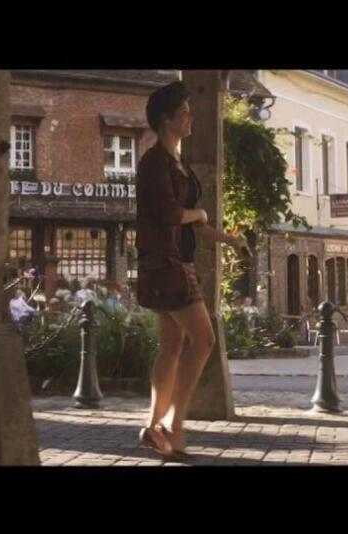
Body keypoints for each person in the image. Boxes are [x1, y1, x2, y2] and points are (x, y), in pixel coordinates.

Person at [135, 81, 251, 461]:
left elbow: (195, 225)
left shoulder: (177, 163)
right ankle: (174, 425)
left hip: (173, 263)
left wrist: (230, 240)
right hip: (166, 265)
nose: (191, 118)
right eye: (184, 113)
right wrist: (197, 213)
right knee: (204, 341)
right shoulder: (154, 163)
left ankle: (155, 427)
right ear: (166, 120)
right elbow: (168, 215)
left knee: (172, 345)